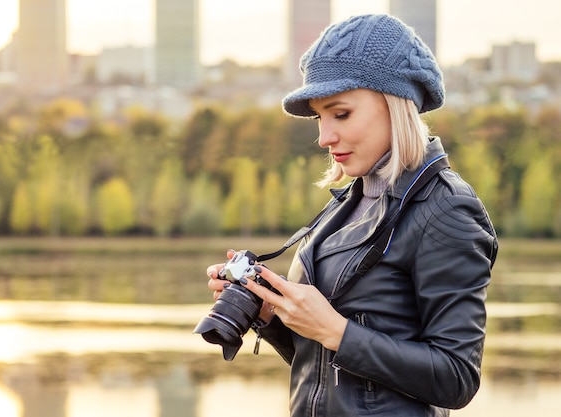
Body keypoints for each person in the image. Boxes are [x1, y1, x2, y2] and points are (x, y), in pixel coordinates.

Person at [206, 14, 498, 417]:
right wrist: (272, 315)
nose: (324, 137)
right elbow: (332, 372)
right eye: (319, 118)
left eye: (340, 114)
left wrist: (336, 331)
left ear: (396, 103)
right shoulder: (347, 203)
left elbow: (456, 377)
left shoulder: (446, 208)